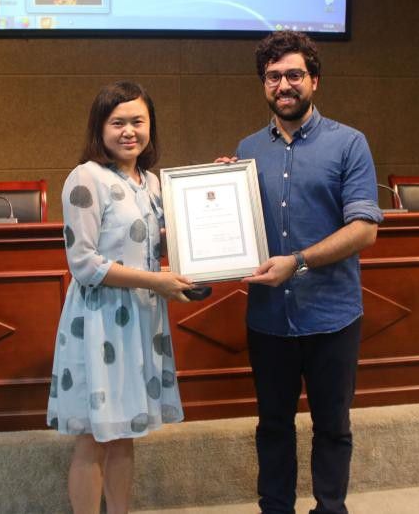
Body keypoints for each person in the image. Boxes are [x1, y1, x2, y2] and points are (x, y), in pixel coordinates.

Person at [229, 31, 383, 514]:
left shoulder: (349, 143)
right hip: (269, 318)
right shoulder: (248, 149)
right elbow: (239, 226)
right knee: (273, 426)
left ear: (314, 80)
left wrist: (297, 261)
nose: (284, 85)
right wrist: (220, 188)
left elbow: (364, 230)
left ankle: (330, 508)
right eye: (273, 77)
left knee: (332, 427)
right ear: (264, 85)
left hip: (332, 316)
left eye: (294, 74)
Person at [47, 80, 194, 514]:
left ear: (151, 126)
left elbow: (153, 250)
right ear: (100, 127)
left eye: (138, 121)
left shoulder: (151, 182)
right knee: (94, 437)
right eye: (117, 122)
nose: (129, 131)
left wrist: (220, 185)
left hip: (140, 320)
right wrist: (155, 282)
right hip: (101, 321)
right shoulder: (86, 178)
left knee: (125, 432)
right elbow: (84, 264)